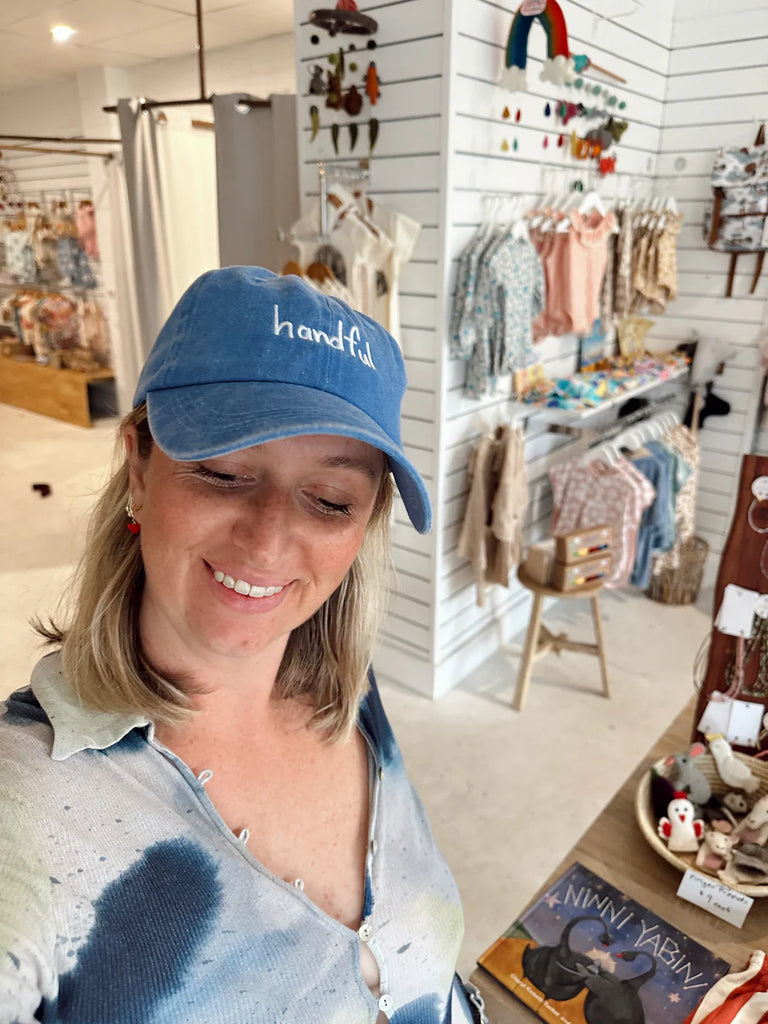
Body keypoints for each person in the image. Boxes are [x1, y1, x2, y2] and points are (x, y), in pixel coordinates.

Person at [0, 267, 486, 1023]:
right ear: (139, 462)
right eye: (222, 473)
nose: (266, 542)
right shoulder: (25, 807)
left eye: (330, 501)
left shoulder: (350, 696)